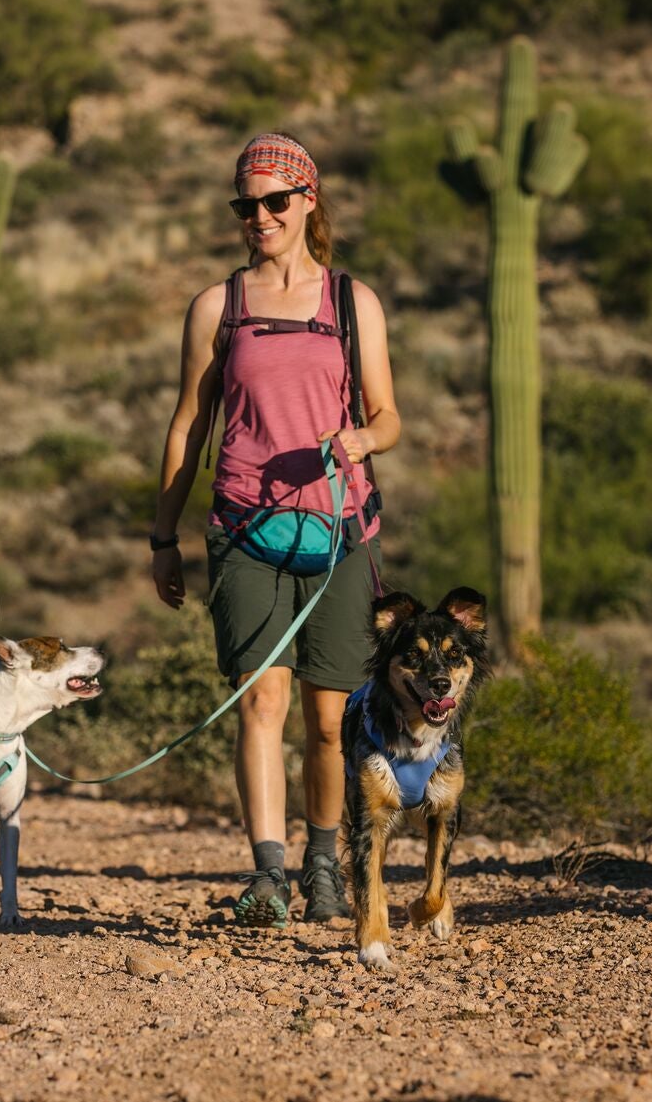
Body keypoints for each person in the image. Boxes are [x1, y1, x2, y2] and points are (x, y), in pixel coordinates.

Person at [150, 133, 401, 928]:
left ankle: (326, 866)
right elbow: (189, 424)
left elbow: (387, 414)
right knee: (262, 705)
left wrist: (363, 439)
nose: (258, 216)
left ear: (307, 203)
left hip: (340, 535)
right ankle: (269, 873)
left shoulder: (352, 303)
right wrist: (164, 536)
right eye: (245, 204)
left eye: (273, 202)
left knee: (329, 720)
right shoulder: (218, 307)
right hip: (245, 530)